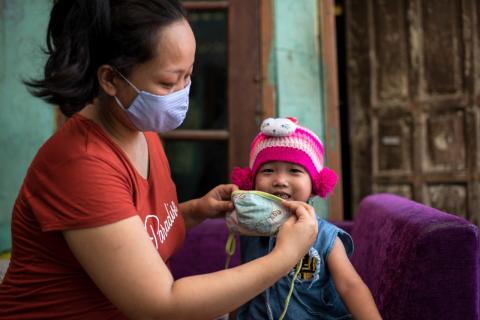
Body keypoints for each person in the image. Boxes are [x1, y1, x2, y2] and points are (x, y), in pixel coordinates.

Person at [0, 1, 319, 319]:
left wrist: (194, 212)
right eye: (168, 82)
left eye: (188, 75)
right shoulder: (80, 165)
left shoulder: (142, 132)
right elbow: (160, 306)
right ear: (110, 79)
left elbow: (130, 235)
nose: (183, 92)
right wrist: (286, 255)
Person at [229, 117, 382, 320]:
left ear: (314, 185)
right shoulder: (249, 229)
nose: (280, 181)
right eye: (268, 171)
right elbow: (241, 287)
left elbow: (350, 286)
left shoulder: (326, 236)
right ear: (252, 181)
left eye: (294, 171)